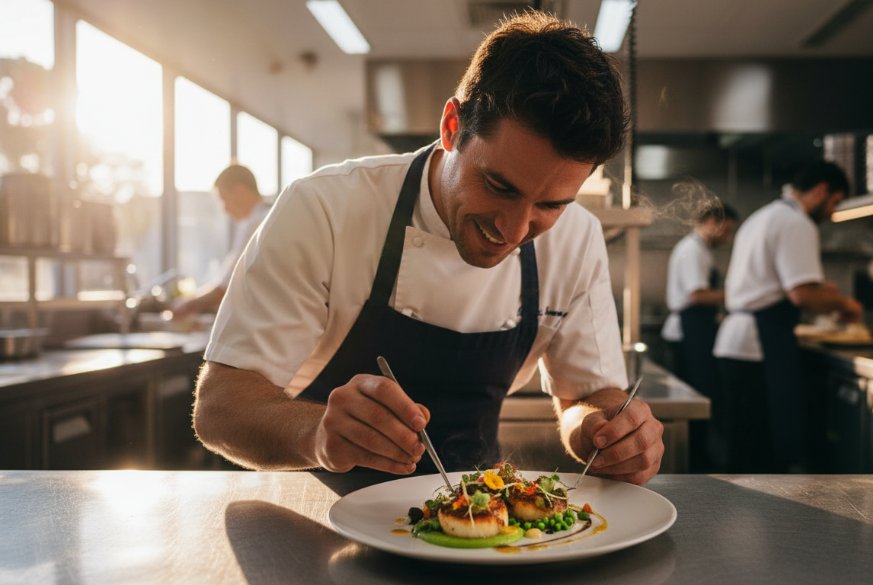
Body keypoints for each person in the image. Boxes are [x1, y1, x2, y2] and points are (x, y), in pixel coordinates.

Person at [192, 12, 664, 485]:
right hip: (315, 511)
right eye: (499, 186)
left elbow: (588, 395)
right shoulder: (325, 208)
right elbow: (221, 408)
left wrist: (603, 431)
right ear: (452, 126)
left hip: (482, 521)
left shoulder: (578, 239)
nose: (516, 228)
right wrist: (317, 433)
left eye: (551, 204)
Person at [713, 161, 862, 473]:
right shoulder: (796, 222)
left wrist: (821, 289)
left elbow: (774, 280)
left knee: (742, 443)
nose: (832, 213)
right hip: (759, 344)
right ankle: (761, 520)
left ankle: (733, 516)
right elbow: (801, 294)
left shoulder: (763, 216)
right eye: (834, 203)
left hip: (737, 341)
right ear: (821, 190)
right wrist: (844, 304)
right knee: (762, 448)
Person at [660, 201, 738, 470]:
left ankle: (699, 456)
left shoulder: (700, 250)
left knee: (700, 395)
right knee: (696, 396)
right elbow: (697, 294)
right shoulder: (693, 250)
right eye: (726, 230)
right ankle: (695, 461)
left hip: (696, 329)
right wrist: (739, 295)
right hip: (689, 330)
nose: (727, 238)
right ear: (713, 223)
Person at [171, 164, 270, 320]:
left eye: (223, 198)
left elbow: (228, 285)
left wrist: (187, 304)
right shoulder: (267, 217)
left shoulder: (256, 223)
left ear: (240, 191)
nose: (224, 209)